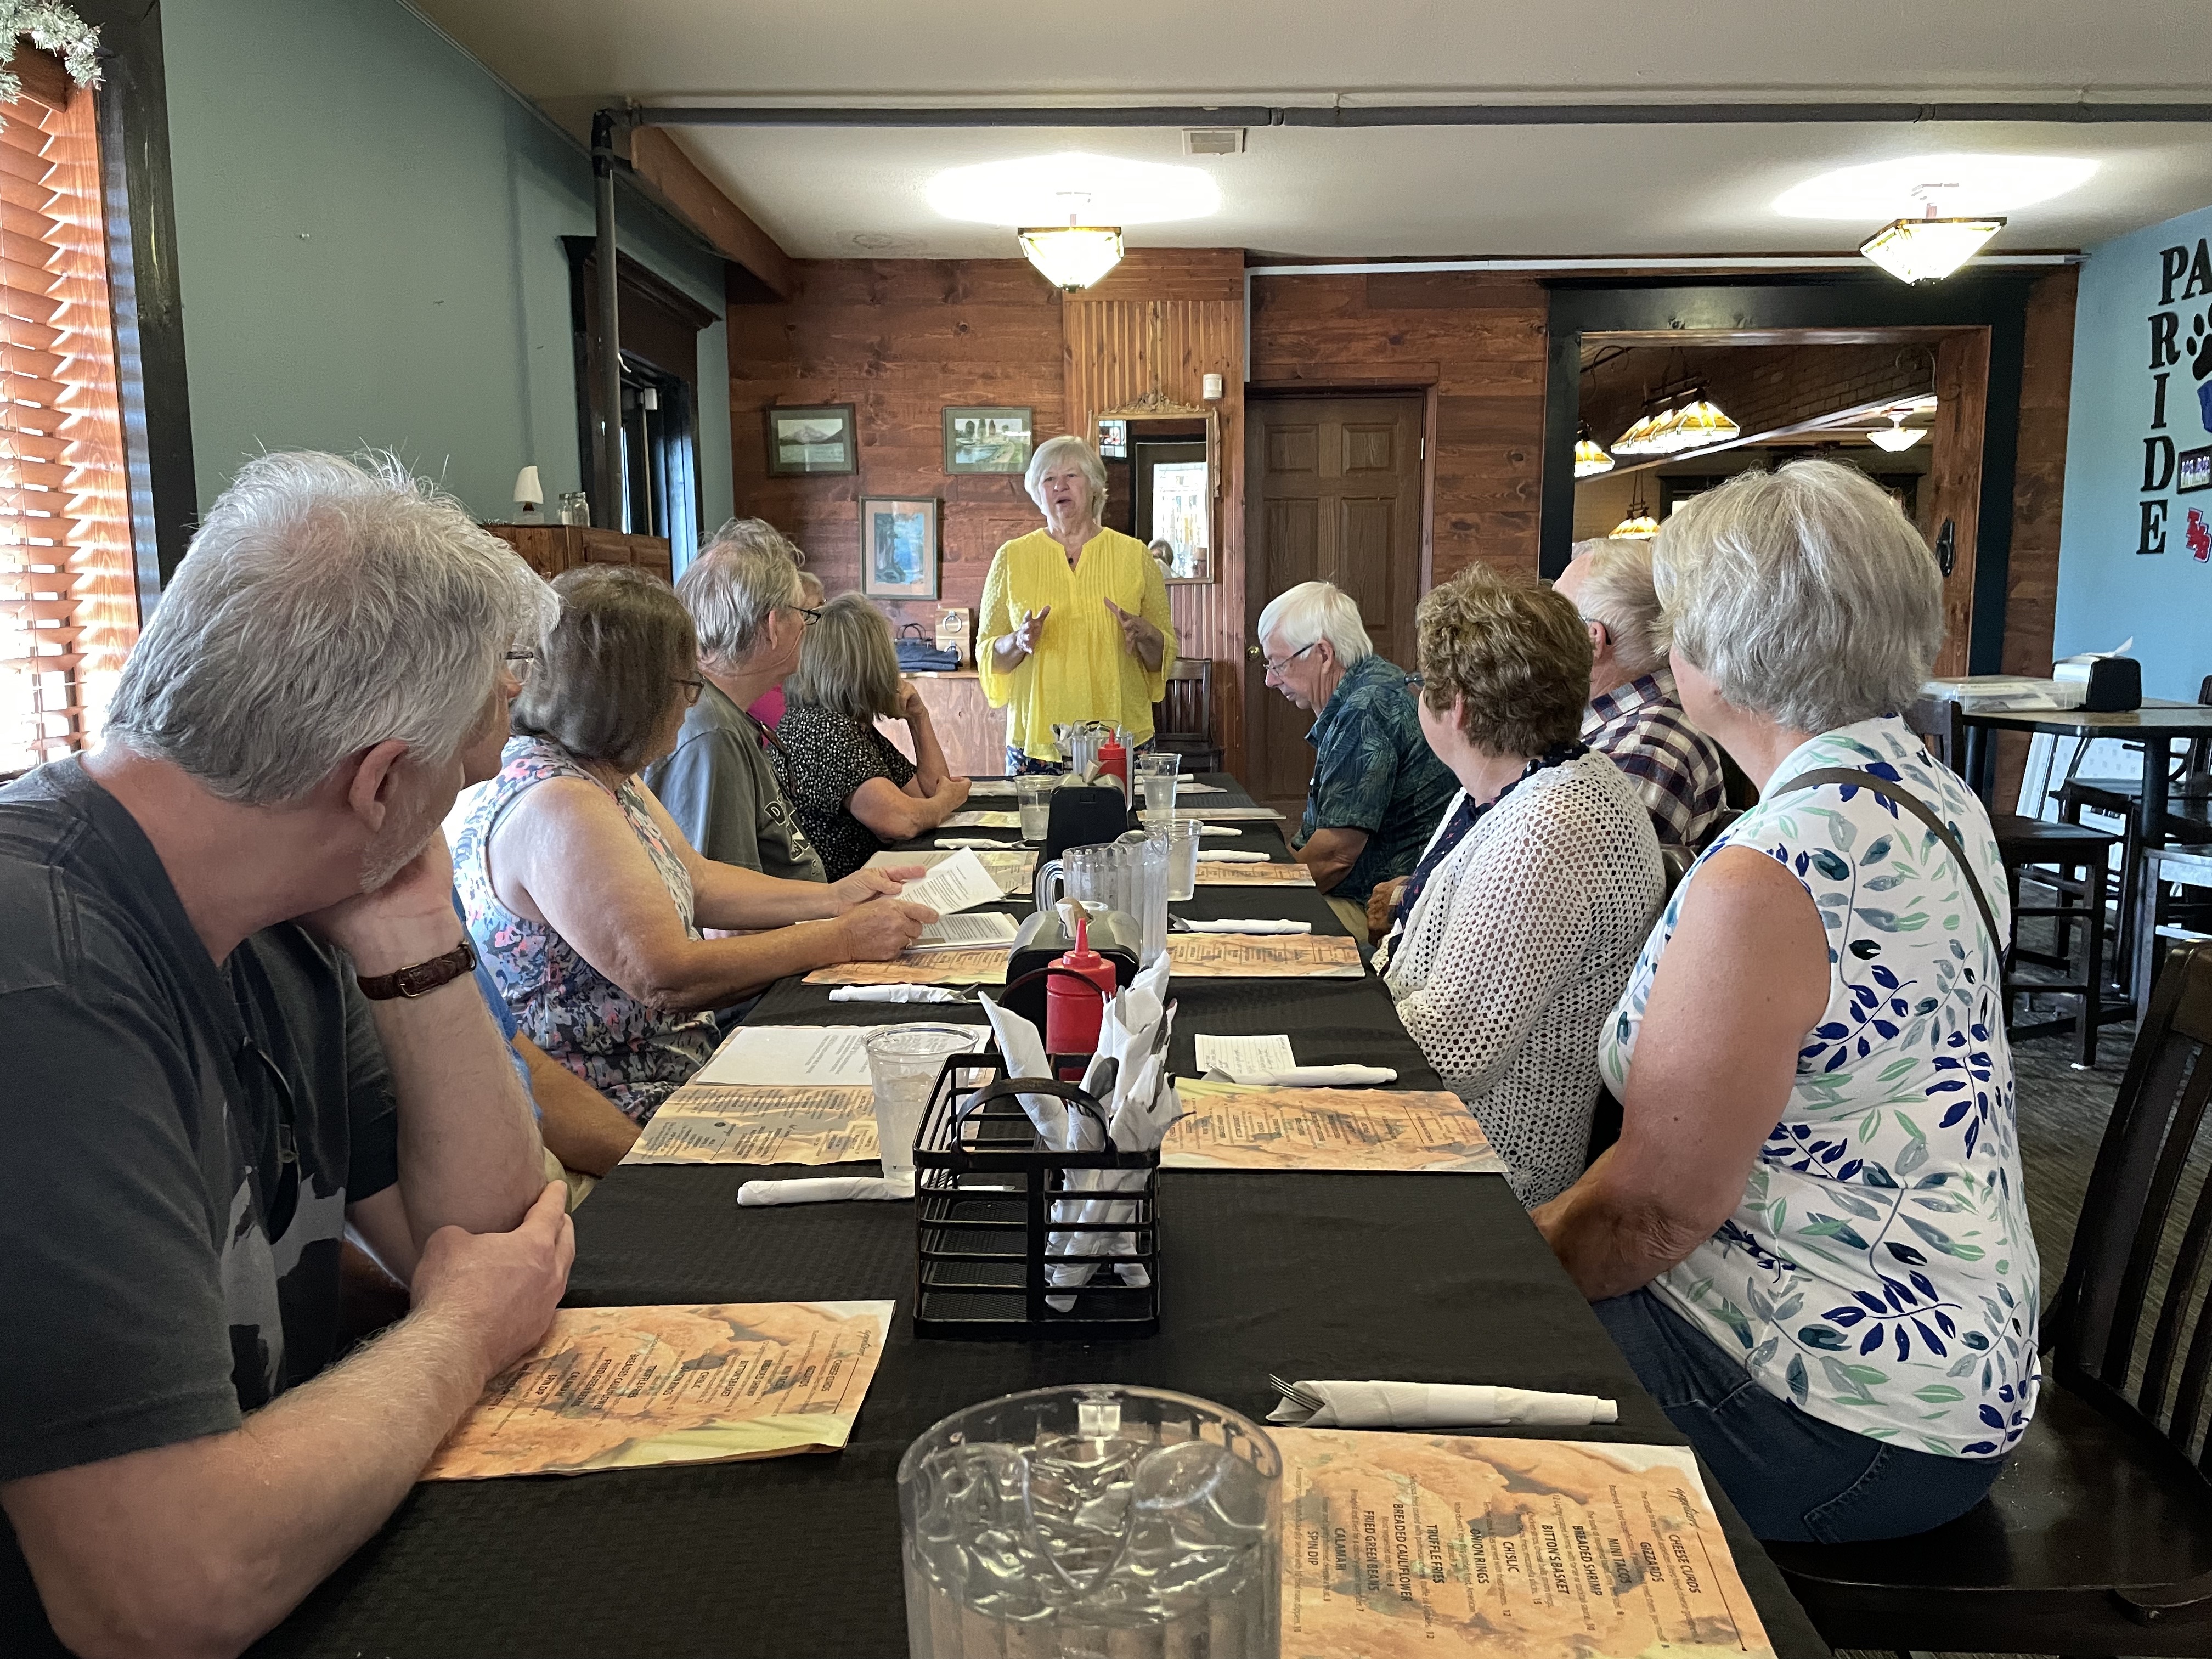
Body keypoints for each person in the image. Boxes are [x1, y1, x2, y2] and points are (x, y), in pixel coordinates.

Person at [0, 452, 572, 1659]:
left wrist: (411, 926)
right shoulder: (41, 980)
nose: (458, 808)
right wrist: (459, 1333)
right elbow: (166, 1593)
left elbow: (492, 1241)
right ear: (375, 783)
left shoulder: (274, 915)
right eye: (459, 785)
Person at [1534, 460, 2039, 1542]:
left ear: (1719, 653)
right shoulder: (1931, 792)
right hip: (1949, 1363)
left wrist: (1489, 1277)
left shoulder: (1775, 868)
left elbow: (1652, 1213)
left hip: (1839, 1415)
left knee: (1445, 1378)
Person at [455, 567, 933, 1122]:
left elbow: (698, 880)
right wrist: (842, 938)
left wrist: (834, 899)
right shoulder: (560, 802)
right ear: (633, 695)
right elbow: (667, 976)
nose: (691, 703)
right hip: (628, 1100)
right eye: (686, 684)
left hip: (679, 1070)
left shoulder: (607, 774)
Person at [1373, 566, 1663, 1205]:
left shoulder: (1552, 829)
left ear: (1459, 708)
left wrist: (1337, 1028)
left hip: (1484, 1171)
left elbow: (1455, 1052)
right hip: (1440, 1130)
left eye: (1423, 685)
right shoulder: (1511, 784)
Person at [1256, 580, 1457, 942]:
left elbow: (1333, 858)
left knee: (1254, 938)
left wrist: (1260, 901)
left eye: (1278, 664)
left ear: (1323, 654)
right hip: (1381, 894)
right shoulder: (1372, 683)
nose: (1270, 680)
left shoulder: (1365, 711)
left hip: (1381, 911)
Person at [978, 434, 1177, 773]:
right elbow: (988, 657)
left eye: (1071, 476)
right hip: (1038, 742)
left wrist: (1144, 633)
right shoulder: (1011, 558)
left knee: (1126, 827)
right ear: (1038, 493)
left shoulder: (1135, 556)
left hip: (1121, 737)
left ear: (1094, 486)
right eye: (1048, 479)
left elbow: (1164, 657)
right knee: (1038, 828)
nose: (1060, 486)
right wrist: (1018, 641)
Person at [645, 522, 827, 884]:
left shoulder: (717, 712)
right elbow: (724, 922)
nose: (806, 628)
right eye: (804, 615)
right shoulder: (711, 731)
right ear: (773, 626)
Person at [776, 592, 973, 881]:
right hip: (838, 899)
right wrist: (947, 801)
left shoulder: (849, 725)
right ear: (864, 668)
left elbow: (929, 792)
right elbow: (901, 821)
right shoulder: (822, 729)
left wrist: (919, 718)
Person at [1552, 539, 1728, 851]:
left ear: (1593, 641)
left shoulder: (1644, 750)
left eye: (1555, 619)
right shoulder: (1619, 726)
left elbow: (1563, 889)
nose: (1540, 632)